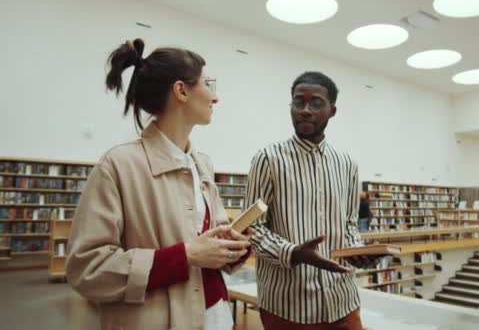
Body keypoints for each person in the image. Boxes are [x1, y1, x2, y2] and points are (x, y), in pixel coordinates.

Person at [66, 38, 251, 330]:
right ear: (181, 91)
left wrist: (231, 249)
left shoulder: (202, 164)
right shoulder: (117, 166)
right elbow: (87, 269)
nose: (215, 98)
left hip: (217, 316)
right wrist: (186, 255)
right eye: (208, 84)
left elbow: (209, 250)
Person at [245, 71, 368, 329]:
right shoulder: (268, 158)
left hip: (343, 301)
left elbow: (349, 224)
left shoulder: (347, 164)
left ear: (332, 111)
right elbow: (252, 228)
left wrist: (358, 251)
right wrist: (293, 253)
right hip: (288, 305)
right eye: (298, 102)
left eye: (316, 103)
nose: (305, 110)